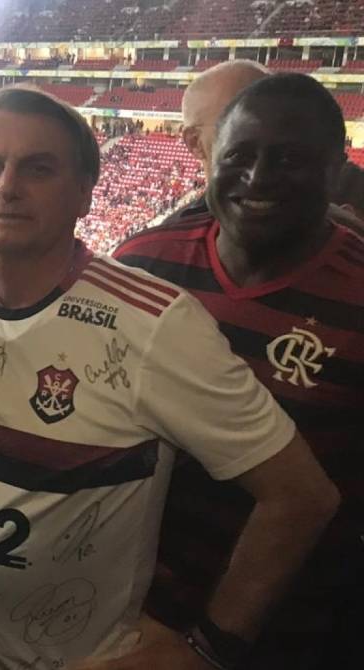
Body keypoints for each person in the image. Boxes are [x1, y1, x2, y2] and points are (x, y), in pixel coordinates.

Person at [0, 86, 339, 670]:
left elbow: (301, 495)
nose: (6, 186)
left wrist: (208, 648)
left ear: (84, 194)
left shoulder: (156, 324)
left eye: (38, 168)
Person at [115, 73, 363, 668]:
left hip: (289, 634)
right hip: (128, 617)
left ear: (336, 171)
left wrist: (211, 647)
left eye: (289, 159)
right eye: (239, 156)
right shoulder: (141, 263)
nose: (257, 178)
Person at [167, 58, 363, 236]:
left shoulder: (349, 185)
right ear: (194, 142)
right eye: (238, 119)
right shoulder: (167, 245)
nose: (267, 127)